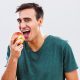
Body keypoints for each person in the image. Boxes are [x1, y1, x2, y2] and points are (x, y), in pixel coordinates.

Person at [1, 3, 78, 80]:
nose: (22, 25)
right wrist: (13, 57)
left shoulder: (62, 47)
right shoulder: (14, 48)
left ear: (40, 21)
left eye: (27, 20)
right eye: (19, 21)